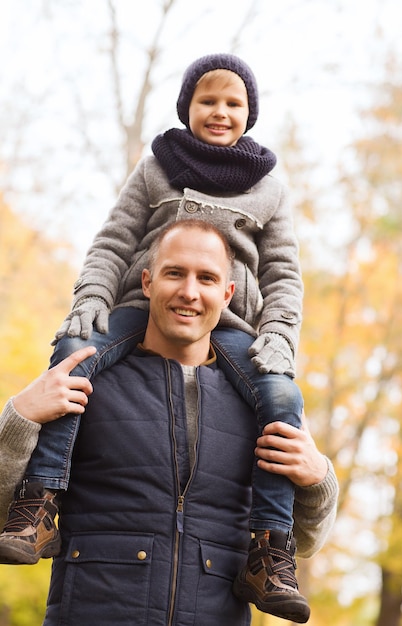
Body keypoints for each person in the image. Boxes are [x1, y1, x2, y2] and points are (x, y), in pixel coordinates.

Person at [1, 53, 304, 618]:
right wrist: (21, 412)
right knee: (72, 353)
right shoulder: (157, 167)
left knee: (284, 396)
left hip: (242, 337)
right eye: (206, 101)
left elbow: (284, 273)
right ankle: (39, 505)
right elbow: (112, 242)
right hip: (131, 314)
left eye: (233, 103)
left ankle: (270, 552)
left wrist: (281, 337)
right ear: (186, 107)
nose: (219, 112)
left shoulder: (269, 186)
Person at [0, 222, 338, 625]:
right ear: (147, 282)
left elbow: (305, 542)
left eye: (207, 278)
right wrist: (18, 417)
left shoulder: (261, 402)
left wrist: (318, 479)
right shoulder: (83, 380)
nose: (189, 292)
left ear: (227, 294)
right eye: (175, 273)